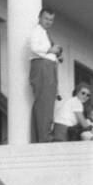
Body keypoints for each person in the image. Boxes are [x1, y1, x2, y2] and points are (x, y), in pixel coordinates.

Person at [28, 8, 62, 142]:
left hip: (49, 66)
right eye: (46, 18)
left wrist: (56, 54)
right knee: (44, 101)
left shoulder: (45, 34)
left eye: (51, 20)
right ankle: (43, 137)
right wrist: (50, 49)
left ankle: (44, 135)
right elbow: (34, 47)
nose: (49, 22)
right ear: (40, 18)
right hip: (42, 66)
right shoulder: (36, 31)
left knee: (48, 102)